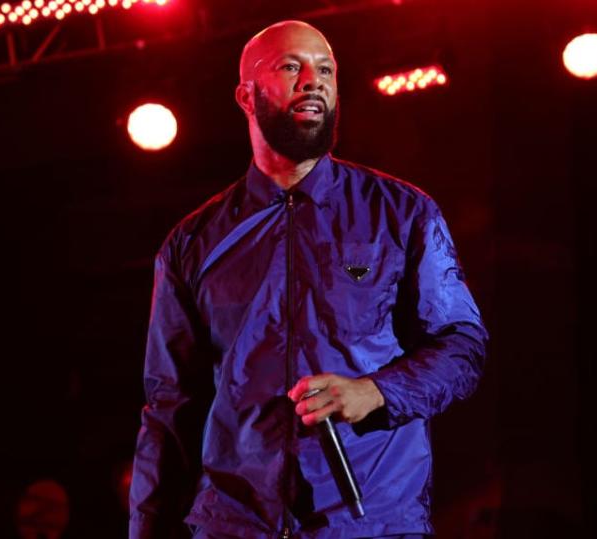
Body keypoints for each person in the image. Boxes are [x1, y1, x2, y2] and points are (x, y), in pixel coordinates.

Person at [129, 20, 487, 539]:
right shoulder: (194, 242)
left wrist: (376, 391)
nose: (312, 81)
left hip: (372, 523)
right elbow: (168, 409)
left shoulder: (402, 214)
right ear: (247, 95)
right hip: (236, 526)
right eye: (291, 67)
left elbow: (462, 345)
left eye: (325, 70)